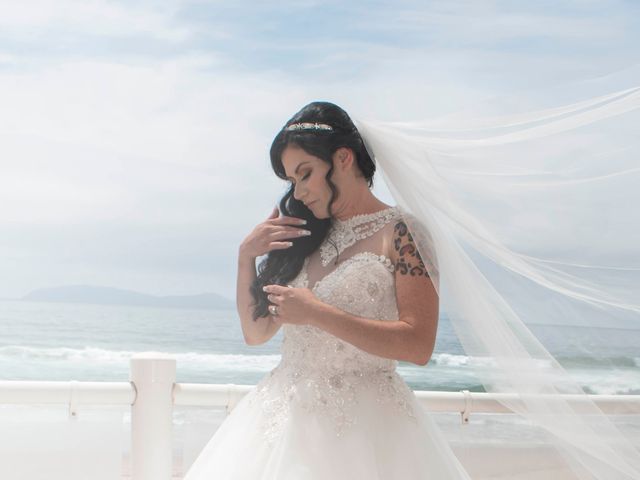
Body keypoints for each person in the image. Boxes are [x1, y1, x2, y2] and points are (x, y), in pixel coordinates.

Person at [182, 101, 474, 478]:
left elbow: (418, 345)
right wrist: (245, 257)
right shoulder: (304, 237)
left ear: (343, 159)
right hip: (282, 421)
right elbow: (256, 334)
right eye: (291, 181)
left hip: (369, 432)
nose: (299, 192)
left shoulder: (403, 233)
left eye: (306, 174)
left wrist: (317, 313)